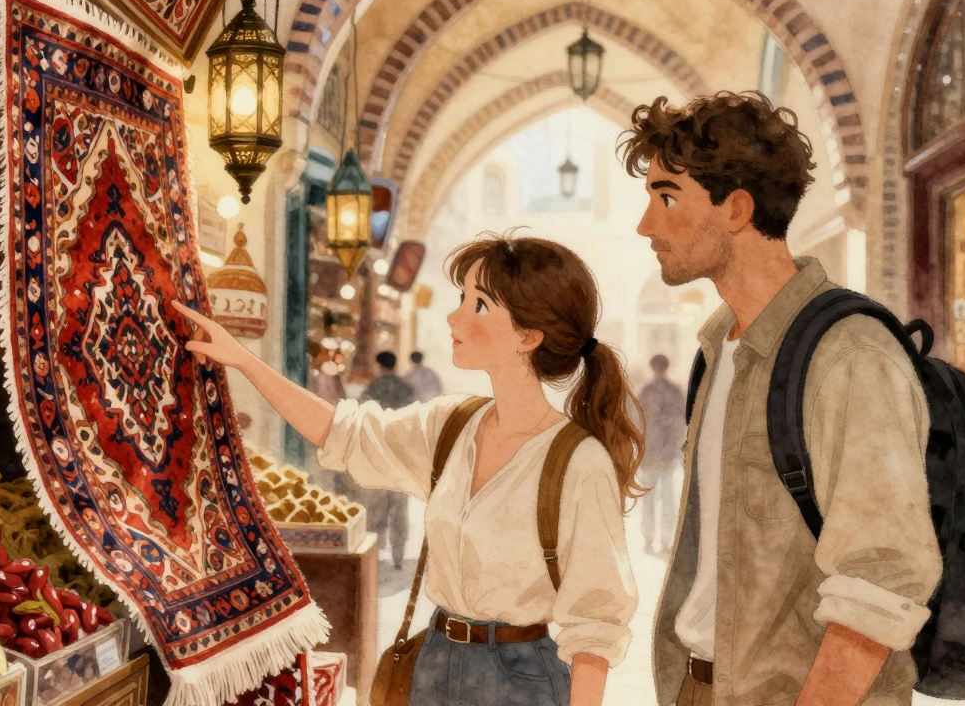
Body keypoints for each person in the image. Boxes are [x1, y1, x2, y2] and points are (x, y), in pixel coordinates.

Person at [173, 233, 640, 706]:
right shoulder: (450, 424)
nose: (454, 316)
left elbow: (595, 624)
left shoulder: (579, 462)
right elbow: (345, 432)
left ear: (528, 336)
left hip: (521, 681)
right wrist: (243, 361)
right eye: (463, 297)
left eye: (479, 305)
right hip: (433, 662)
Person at [620, 92, 942, 706]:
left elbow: (883, 575)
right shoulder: (721, 349)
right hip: (701, 687)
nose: (646, 224)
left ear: (736, 208)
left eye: (666, 197)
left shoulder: (848, 354)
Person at [359, 351, 416, 570]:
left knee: (376, 505)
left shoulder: (374, 387)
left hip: (379, 452)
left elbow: (362, 413)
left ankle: (375, 553)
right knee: (399, 506)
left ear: (379, 366)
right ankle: (398, 555)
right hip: (401, 453)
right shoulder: (406, 387)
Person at [637, 354, 685, 555]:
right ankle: (662, 541)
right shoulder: (674, 392)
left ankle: (651, 541)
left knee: (653, 500)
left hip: (651, 456)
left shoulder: (646, 392)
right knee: (666, 500)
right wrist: (671, 453)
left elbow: (640, 424)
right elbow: (678, 426)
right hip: (663, 456)